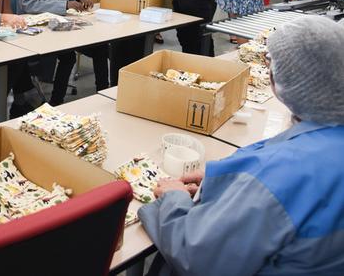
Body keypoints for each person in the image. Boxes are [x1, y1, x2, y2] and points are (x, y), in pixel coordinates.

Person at [139, 15, 344, 276]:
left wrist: (173, 199)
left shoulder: (280, 172)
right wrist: (224, 180)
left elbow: (197, 255)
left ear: (278, 81)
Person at [16, 0, 92, 105]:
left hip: (59, 29)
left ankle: (57, 100)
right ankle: (29, 97)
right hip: (36, 31)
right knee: (68, 56)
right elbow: (28, 5)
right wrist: (64, 5)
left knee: (71, 55)